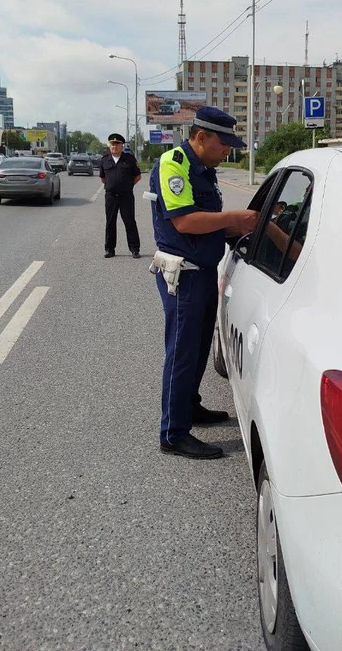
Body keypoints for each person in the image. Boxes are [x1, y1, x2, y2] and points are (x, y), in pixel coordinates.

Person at [148, 107, 259, 460]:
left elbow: (212, 223)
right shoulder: (174, 164)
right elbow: (184, 221)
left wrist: (243, 229)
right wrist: (235, 218)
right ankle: (174, 433)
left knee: (196, 351)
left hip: (203, 271)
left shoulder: (205, 170)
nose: (228, 150)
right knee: (181, 353)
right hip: (185, 274)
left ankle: (190, 407)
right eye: (223, 143)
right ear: (201, 137)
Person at [99, 133, 142, 258]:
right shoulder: (104, 160)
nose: (115, 146)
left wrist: (127, 186)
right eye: (112, 144)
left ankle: (134, 249)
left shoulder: (129, 159)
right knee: (110, 222)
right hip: (111, 196)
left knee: (129, 222)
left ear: (122, 145)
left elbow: (137, 176)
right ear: (109, 146)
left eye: (117, 144)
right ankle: (109, 249)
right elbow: (102, 178)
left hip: (126, 196)